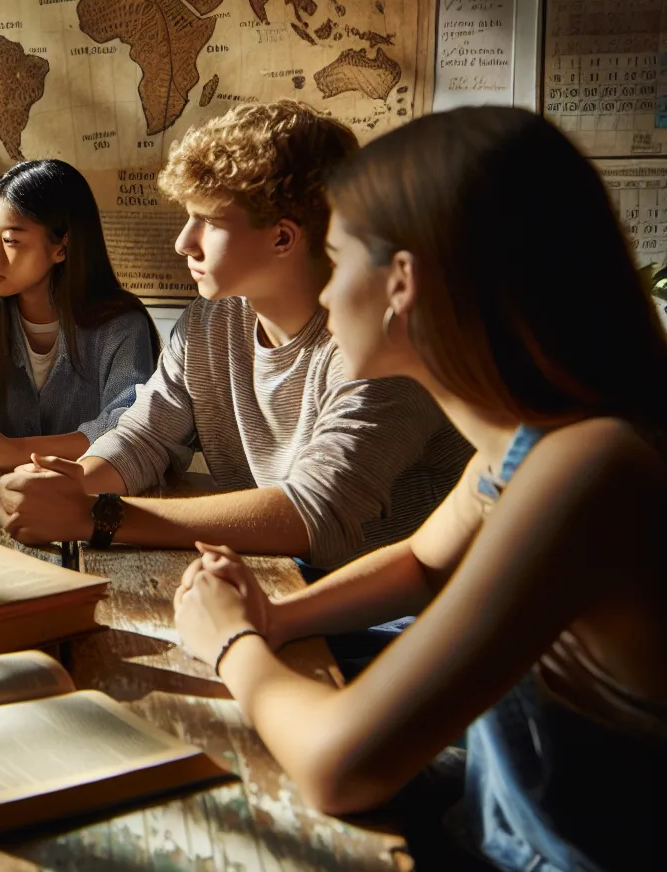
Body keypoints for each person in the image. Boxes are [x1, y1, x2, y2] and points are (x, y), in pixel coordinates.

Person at [172, 107, 667, 870]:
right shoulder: (531, 440)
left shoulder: (591, 466)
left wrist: (230, 642)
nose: (328, 294)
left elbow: (342, 766)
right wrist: (275, 614)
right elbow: (422, 565)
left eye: (337, 259)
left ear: (401, 282)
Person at [0, 101, 470, 574]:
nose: (184, 242)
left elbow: (315, 513)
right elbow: (144, 439)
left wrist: (96, 515)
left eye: (209, 221)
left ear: (283, 238)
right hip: (280, 576)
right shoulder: (210, 322)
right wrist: (69, 485)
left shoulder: (380, 342)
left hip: (403, 610)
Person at [0, 159, 158, 471]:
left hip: (85, 501)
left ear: (62, 247)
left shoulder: (121, 323)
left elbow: (131, 425)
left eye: (12, 240)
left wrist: (16, 451)